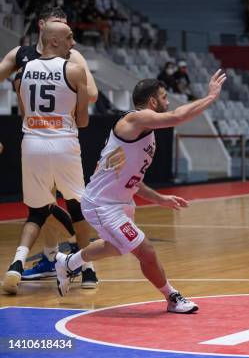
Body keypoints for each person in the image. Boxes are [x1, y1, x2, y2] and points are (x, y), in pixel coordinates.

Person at [55, 70, 227, 313]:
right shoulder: (134, 121)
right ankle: (172, 297)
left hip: (120, 201)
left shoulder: (145, 132)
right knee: (145, 251)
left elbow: (133, 180)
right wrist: (210, 97)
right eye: (165, 98)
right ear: (153, 102)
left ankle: (67, 262)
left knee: (114, 247)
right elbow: (177, 117)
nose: (168, 103)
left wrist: (160, 198)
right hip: (101, 204)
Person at [0, 7, 99, 289]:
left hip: (32, 142)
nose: (74, 42)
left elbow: (23, 110)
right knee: (78, 207)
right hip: (64, 142)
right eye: (69, 35)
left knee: (37, 209)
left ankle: (19, 261)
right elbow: (82, 117)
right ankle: (87, 269)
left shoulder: (22, 71)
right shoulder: (75, 66)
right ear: (53, 38)